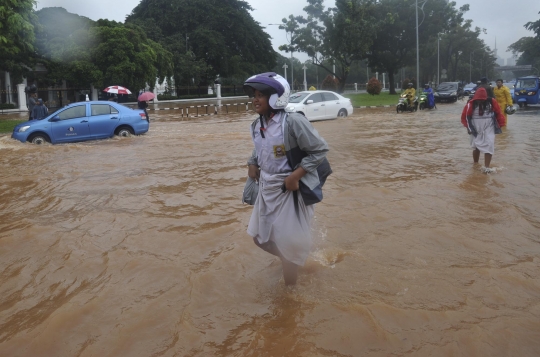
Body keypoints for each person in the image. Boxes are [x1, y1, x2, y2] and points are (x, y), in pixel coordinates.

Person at [244, 72, 329, 286]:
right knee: (259, 237)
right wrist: (252, 163)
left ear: (276, 97)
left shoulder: (292, 122)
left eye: (261, 95)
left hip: (290, 189)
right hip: (268, 188)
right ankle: (291, 258)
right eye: (254, 95)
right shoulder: (256, 125)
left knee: (289, 244)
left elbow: (319, 150)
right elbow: (259, 148)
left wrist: (296, 175)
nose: (255, 99)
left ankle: (290, 293)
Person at [461, 87, 505, 172]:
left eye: (482, 100)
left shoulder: (492, 102)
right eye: (479, 100)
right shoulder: (471, 104)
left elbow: (498, 113)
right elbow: (465, 117)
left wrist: (500, 124)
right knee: (476, 146)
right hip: (475, 126)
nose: (480, 101)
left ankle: (486, 167)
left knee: (489, 144)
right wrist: (469, 128)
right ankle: (475, 164)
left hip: (489, 126)